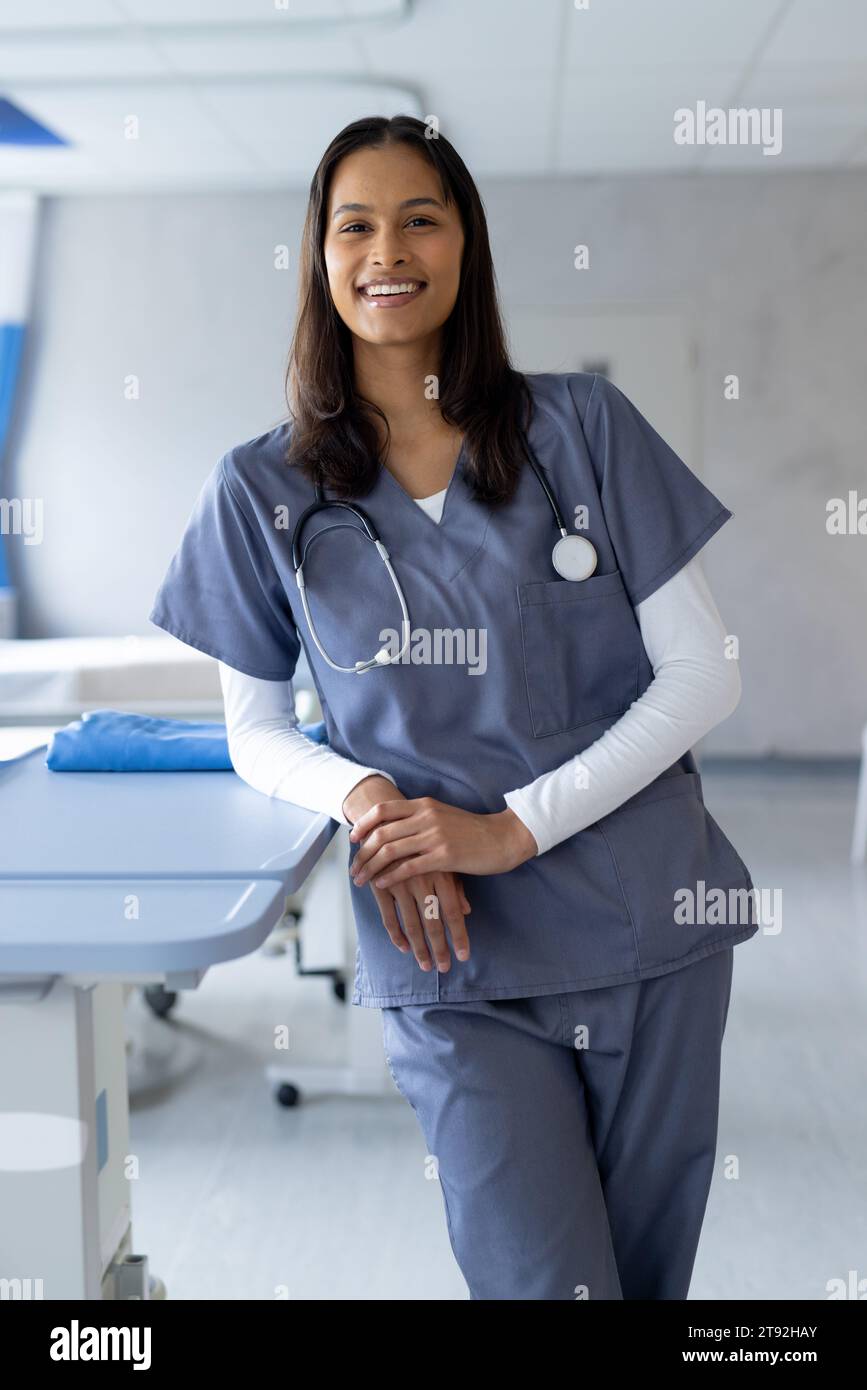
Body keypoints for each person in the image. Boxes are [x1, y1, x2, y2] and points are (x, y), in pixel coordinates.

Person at [149, 114, 759, 1301]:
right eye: (356, 224)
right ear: (320, 258)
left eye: (422, 217)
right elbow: (259, 730)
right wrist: (365, 793)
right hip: (448, 948)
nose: (391, 250)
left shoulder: (581, 429)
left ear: (466, 242)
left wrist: (512, 826)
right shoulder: (259, 489)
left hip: (648, 925)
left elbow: (707, 672)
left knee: (643, 1286)